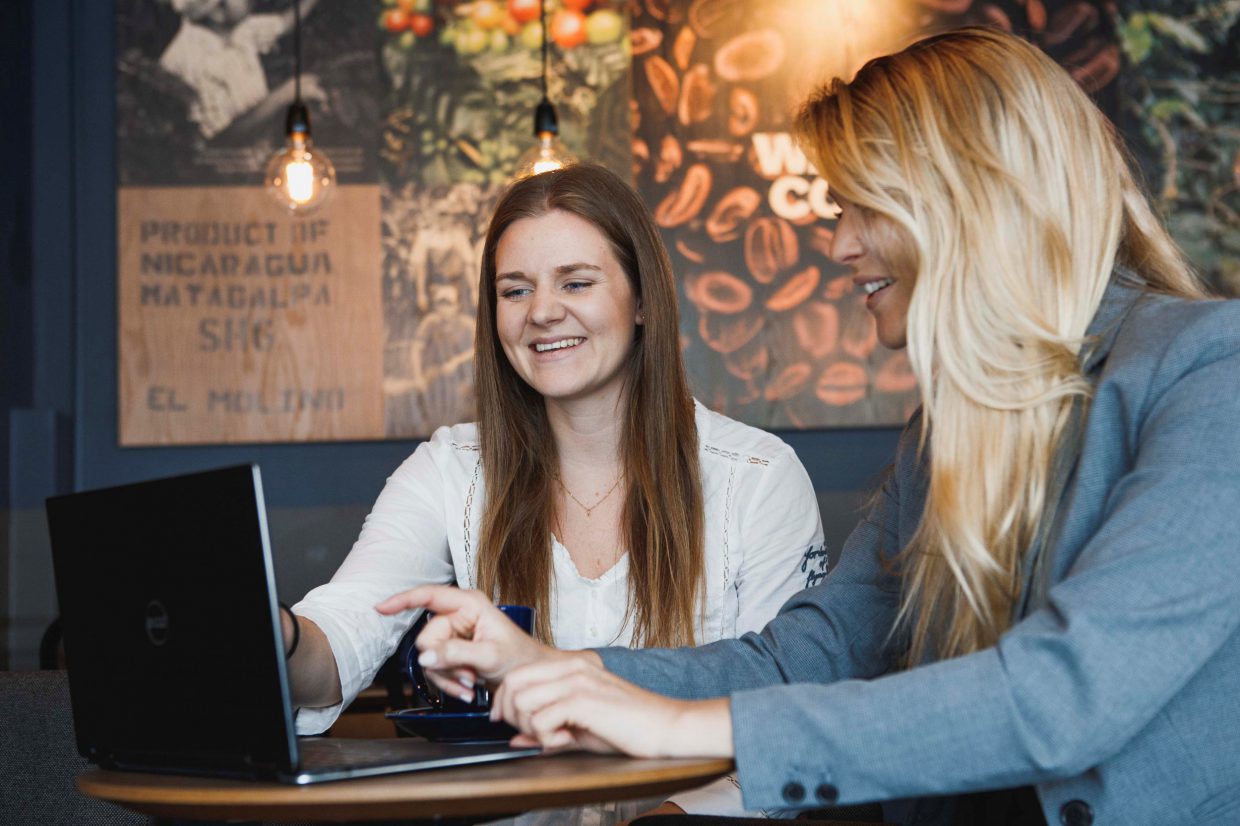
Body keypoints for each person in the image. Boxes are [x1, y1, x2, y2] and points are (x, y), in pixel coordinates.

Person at [388, 27, 1240, 826]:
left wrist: (692, 729)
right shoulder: (945, 434)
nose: (839, 247)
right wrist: (560, 669)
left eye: (862, 206)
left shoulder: (1210, 373)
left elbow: (1066, 694)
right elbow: (807, 654)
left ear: (974, 193)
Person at [289, 163, 826, 822]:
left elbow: (785, 711)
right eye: (515, 291)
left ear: (643, 301)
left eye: (576, 282)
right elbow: (339, 641)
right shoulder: (449, 469)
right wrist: (280, 636)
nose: (543, 312)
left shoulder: (758, 477)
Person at [158, 0, 323, 142]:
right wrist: (286, 94)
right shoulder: (190, 62)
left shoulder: (238, 29)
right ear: (217, 11)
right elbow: (221, 141)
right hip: (227, 173)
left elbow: (284, 23)